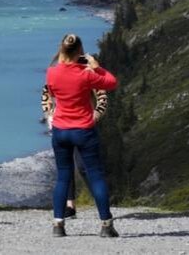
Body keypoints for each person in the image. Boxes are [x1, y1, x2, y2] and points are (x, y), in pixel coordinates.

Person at [45, 33, 119, 238]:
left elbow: (52, 92)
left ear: (61, 50)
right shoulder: (86, 74)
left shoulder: (51, 73)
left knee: (63, 177)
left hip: (60, 130)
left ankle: (58, 224)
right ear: (80, 51)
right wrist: (96, 66)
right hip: (84, 130)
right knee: (95, 175)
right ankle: (106, 225)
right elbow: (111, 82)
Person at [41, 57, 109, 219]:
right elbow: (46, 96)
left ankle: (101, 202)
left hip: (84, 124)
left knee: (83, 167)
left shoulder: (88, 73)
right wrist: (49, 116)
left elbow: (102, 99)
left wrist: (94, 117)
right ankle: (70, 205)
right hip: (62, 124)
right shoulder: (57, 73)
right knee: (66, 167)